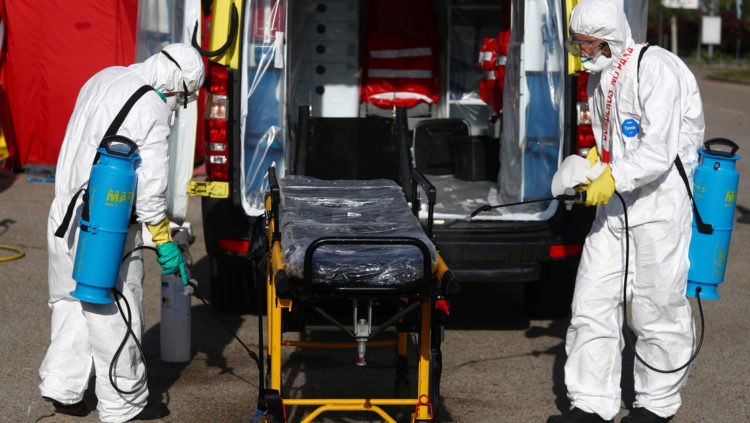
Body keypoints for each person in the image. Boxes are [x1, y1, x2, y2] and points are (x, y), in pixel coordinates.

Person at [547, 1, 705, 422]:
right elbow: (613, 143)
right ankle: (591, 403)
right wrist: (591, 166)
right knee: (591, 304)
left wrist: (612, 176)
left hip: (660, 207)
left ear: (608, 39)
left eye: (584, 43)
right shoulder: (599, 79)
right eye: (575, 42)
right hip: (616, 211)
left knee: (658, 309)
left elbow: (657, 151)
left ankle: (656, 405)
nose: (579, 50)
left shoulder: (658, 69)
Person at [39, 43, 204, 422]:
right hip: (106, 228)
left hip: (64, 210)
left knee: (68, 300)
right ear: (178, 84)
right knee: (114, 311)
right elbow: (150, 192)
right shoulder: (153, 107)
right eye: (185, 97)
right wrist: (163, 240)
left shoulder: (105, 76)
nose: (180, 105)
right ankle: (123, 404)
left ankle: (62, 387)